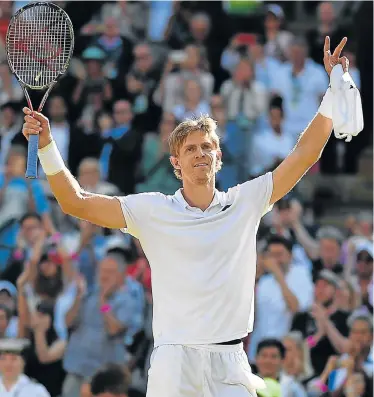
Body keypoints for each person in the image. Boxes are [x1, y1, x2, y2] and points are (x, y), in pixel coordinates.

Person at [21, 37, 362, 397]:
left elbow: (304, 154)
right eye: (190, 149)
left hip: (230, 360)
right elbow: (77, 202)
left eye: (206, 147)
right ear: (176, 164)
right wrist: (46, 145)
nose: (199, 153)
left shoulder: (247, 201)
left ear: (218, 158)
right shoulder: (151, 210)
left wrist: (332, 90)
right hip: (173, 363)